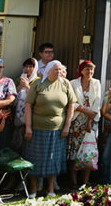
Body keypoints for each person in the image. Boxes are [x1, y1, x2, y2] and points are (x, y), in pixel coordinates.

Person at [24, 61, 76, 197]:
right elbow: (28, 105)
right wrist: (28, 127)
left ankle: (51, 189)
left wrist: (67, 125)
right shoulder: (38, 83)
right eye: (55, 70)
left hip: (57, 129)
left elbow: (71, 104)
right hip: (38, 129)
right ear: (48, 70)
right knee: (35, 159)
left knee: (53, 159)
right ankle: (33, 190)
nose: (58, 72)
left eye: (60, 69)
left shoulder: (65, 84)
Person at [68, 61, 101, 188]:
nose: (90, 72)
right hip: (77, 119)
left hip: (91, 120)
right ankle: (74, 182)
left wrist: (89, 121)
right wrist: (84, 110)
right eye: (87, 69)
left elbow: (97, 102)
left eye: (92, 70)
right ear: (81, 70)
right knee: (74, 151)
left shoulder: (96, 83)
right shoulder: (73, 83)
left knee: (89, 150)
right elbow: (72, 102)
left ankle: (85, 181)